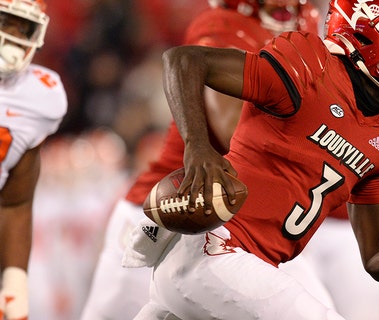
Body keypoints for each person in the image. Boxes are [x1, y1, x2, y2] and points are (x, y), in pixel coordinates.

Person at [129, 0, 379, 318]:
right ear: (369, 35)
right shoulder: (309, 67)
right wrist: (198, 147)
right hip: (213, 247)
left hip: (244, 268)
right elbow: (183, 62)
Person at [79, 0, 323, 319]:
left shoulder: (308, 23)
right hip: (171, 211)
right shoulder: (224, 25)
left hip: (242, 223)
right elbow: (231, 131)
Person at [0, 1, 67, 319]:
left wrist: (14, 285)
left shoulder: (39, 97)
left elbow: (14, 202)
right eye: (4, 21)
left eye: (22, 28)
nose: (12, 38)